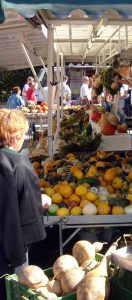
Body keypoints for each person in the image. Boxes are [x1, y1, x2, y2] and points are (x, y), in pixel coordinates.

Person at [0, 109, 46, 299]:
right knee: (14, 290)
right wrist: (39, 200)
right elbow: (22, 207)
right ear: (15, 135)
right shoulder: (18, 162)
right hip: (12, 244)